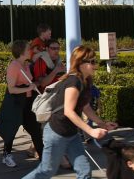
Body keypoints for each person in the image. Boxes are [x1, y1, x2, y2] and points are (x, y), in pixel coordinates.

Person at [21, 45, 118, 179]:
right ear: (81, 64)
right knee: (46, 170)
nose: (96, 65)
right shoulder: (74, 82)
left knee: (84, 171)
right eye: (92, 62)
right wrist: (91, 131)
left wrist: (101, 123)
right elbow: (69, 111)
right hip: (57, 133)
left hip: (71, 133)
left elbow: (85, 107)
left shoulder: (86, 81)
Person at [0, 40, 42, 168]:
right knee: (11, 129)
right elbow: (11, 89)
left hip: (27, 103)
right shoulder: (14, 66)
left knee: (35, 130)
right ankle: (6, 155)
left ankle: (44, 159)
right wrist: (28, 88)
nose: (30, 51)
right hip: (15, 104)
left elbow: (29, 82)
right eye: (28, 49)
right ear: (22, 52)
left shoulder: (26, 64)